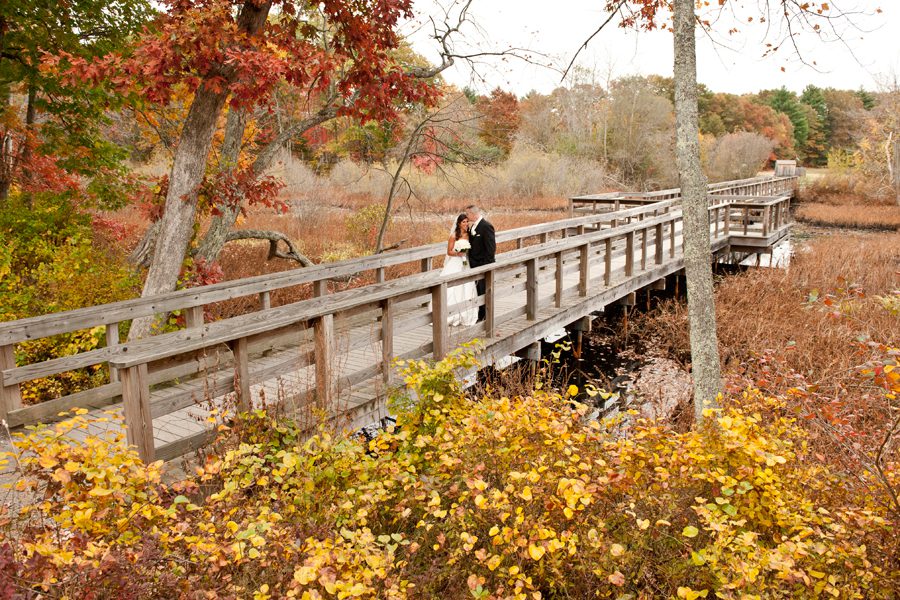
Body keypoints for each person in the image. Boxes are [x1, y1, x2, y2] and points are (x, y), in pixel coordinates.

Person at [441, 213, 478, 327]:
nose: (466, 224)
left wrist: (466, 253)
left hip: (466, 263)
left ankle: (466, 312)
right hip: (456, 263)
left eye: (467, 221)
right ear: (458, 223)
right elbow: (449, 252)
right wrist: (459, 253)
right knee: (453, 288)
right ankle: (450, 313)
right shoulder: (453, 236)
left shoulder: (470, 234)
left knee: (467, 286)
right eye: (464, 222)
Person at [464, 204, 496, 322]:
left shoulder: (486, 226)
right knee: (477, 291)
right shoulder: (473, 227)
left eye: (467, 214)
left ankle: (486, 317)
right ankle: (480, 315)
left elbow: (491, 250)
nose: (467, 216)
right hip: (473, 265)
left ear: (473, 214)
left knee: (484, 291)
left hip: (483, 266)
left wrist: (485, 266)